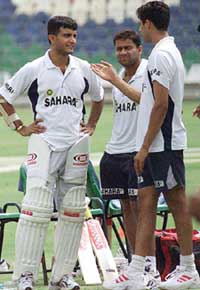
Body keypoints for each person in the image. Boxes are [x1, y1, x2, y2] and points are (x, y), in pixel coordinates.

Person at [0, 16, 104, 290]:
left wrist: (91, 124)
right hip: (44, 144)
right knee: (35, 209)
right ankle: (24, 277)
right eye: (66, 35)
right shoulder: (34, 68)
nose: (72, 40)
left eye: (74, 36)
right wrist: (20, 126)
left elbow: (99, 96)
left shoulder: (82, 68)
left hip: (75, 144)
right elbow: (3, 98)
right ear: (52, 37)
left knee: (72, 211)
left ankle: (62, 277)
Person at [133, 2, 199, 290]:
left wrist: (145, 145)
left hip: (165, 145)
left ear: (147, 23)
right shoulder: (164, 52)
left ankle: (188, 268)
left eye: (140, 24)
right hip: (158, 145)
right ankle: (137, 269)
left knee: (178, 204)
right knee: (145, 201)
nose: (139, 29)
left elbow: (160, 105)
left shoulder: (161, 56)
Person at [92, 30, 160, 289]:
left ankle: (150, 269)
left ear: (140, 49)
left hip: (138, 150)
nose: (122, 53)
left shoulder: (148, 72)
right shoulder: (120, 76)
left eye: (128, 48)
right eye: (119, 48)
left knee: (143, 210)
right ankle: (135, 266)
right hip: (115, 151)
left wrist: (114, 82)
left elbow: (148, 103)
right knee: (126, 209)